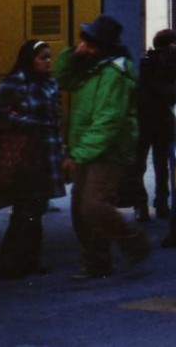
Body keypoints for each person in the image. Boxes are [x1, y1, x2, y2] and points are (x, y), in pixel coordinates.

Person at [56, 14, 152, 280]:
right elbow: (63, 78)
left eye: (89, 43)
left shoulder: (114, 75)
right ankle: (97, 261)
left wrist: (80, 153)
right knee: (80, 210)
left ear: (103, 47)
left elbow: (108, 120)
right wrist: (74, 53)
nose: (84, 46)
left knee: (93, 206)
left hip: (109, 151)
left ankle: (134, 240)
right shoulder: (94, 67)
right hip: (91, 148)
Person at [0, 40, 66, 279]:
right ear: (29, 59)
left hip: (46, 155)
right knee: (24, 209)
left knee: (36, 208)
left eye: (49, 57)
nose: (47, 61)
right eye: (42, 57)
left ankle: (30, 259)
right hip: (24, 157)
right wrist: (30, 124)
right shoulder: (14, 84)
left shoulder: (50, 84)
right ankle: (11, 263)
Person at [134, 29, 176, 222]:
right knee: (162, 166)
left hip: (143, 119)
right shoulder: (169, 63)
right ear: (170, 45)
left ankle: (140, 205)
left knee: (139, 165)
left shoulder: (145, 62)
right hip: (162, 121)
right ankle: (161, 203)